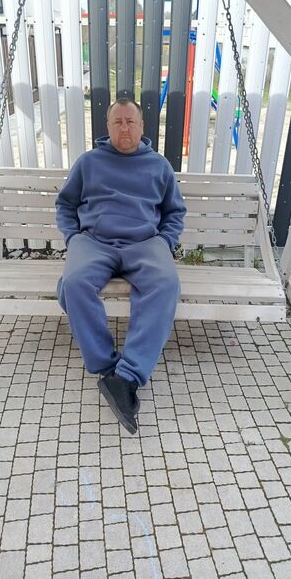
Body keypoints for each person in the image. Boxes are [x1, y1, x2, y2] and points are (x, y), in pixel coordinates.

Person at [56, 99, 186, 434]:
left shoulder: (159, 166)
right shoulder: (88, 163)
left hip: (144, 243)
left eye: (131, 122)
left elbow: (174, 212)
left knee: (166, 284)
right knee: (73, 283)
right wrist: (73, 237)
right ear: (108, 126)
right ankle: (106, 367)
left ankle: (127, 375)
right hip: (94, 241)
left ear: (142, 127)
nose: (124, 128)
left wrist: (165, 241)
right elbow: (65, 205)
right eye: (118, 122)